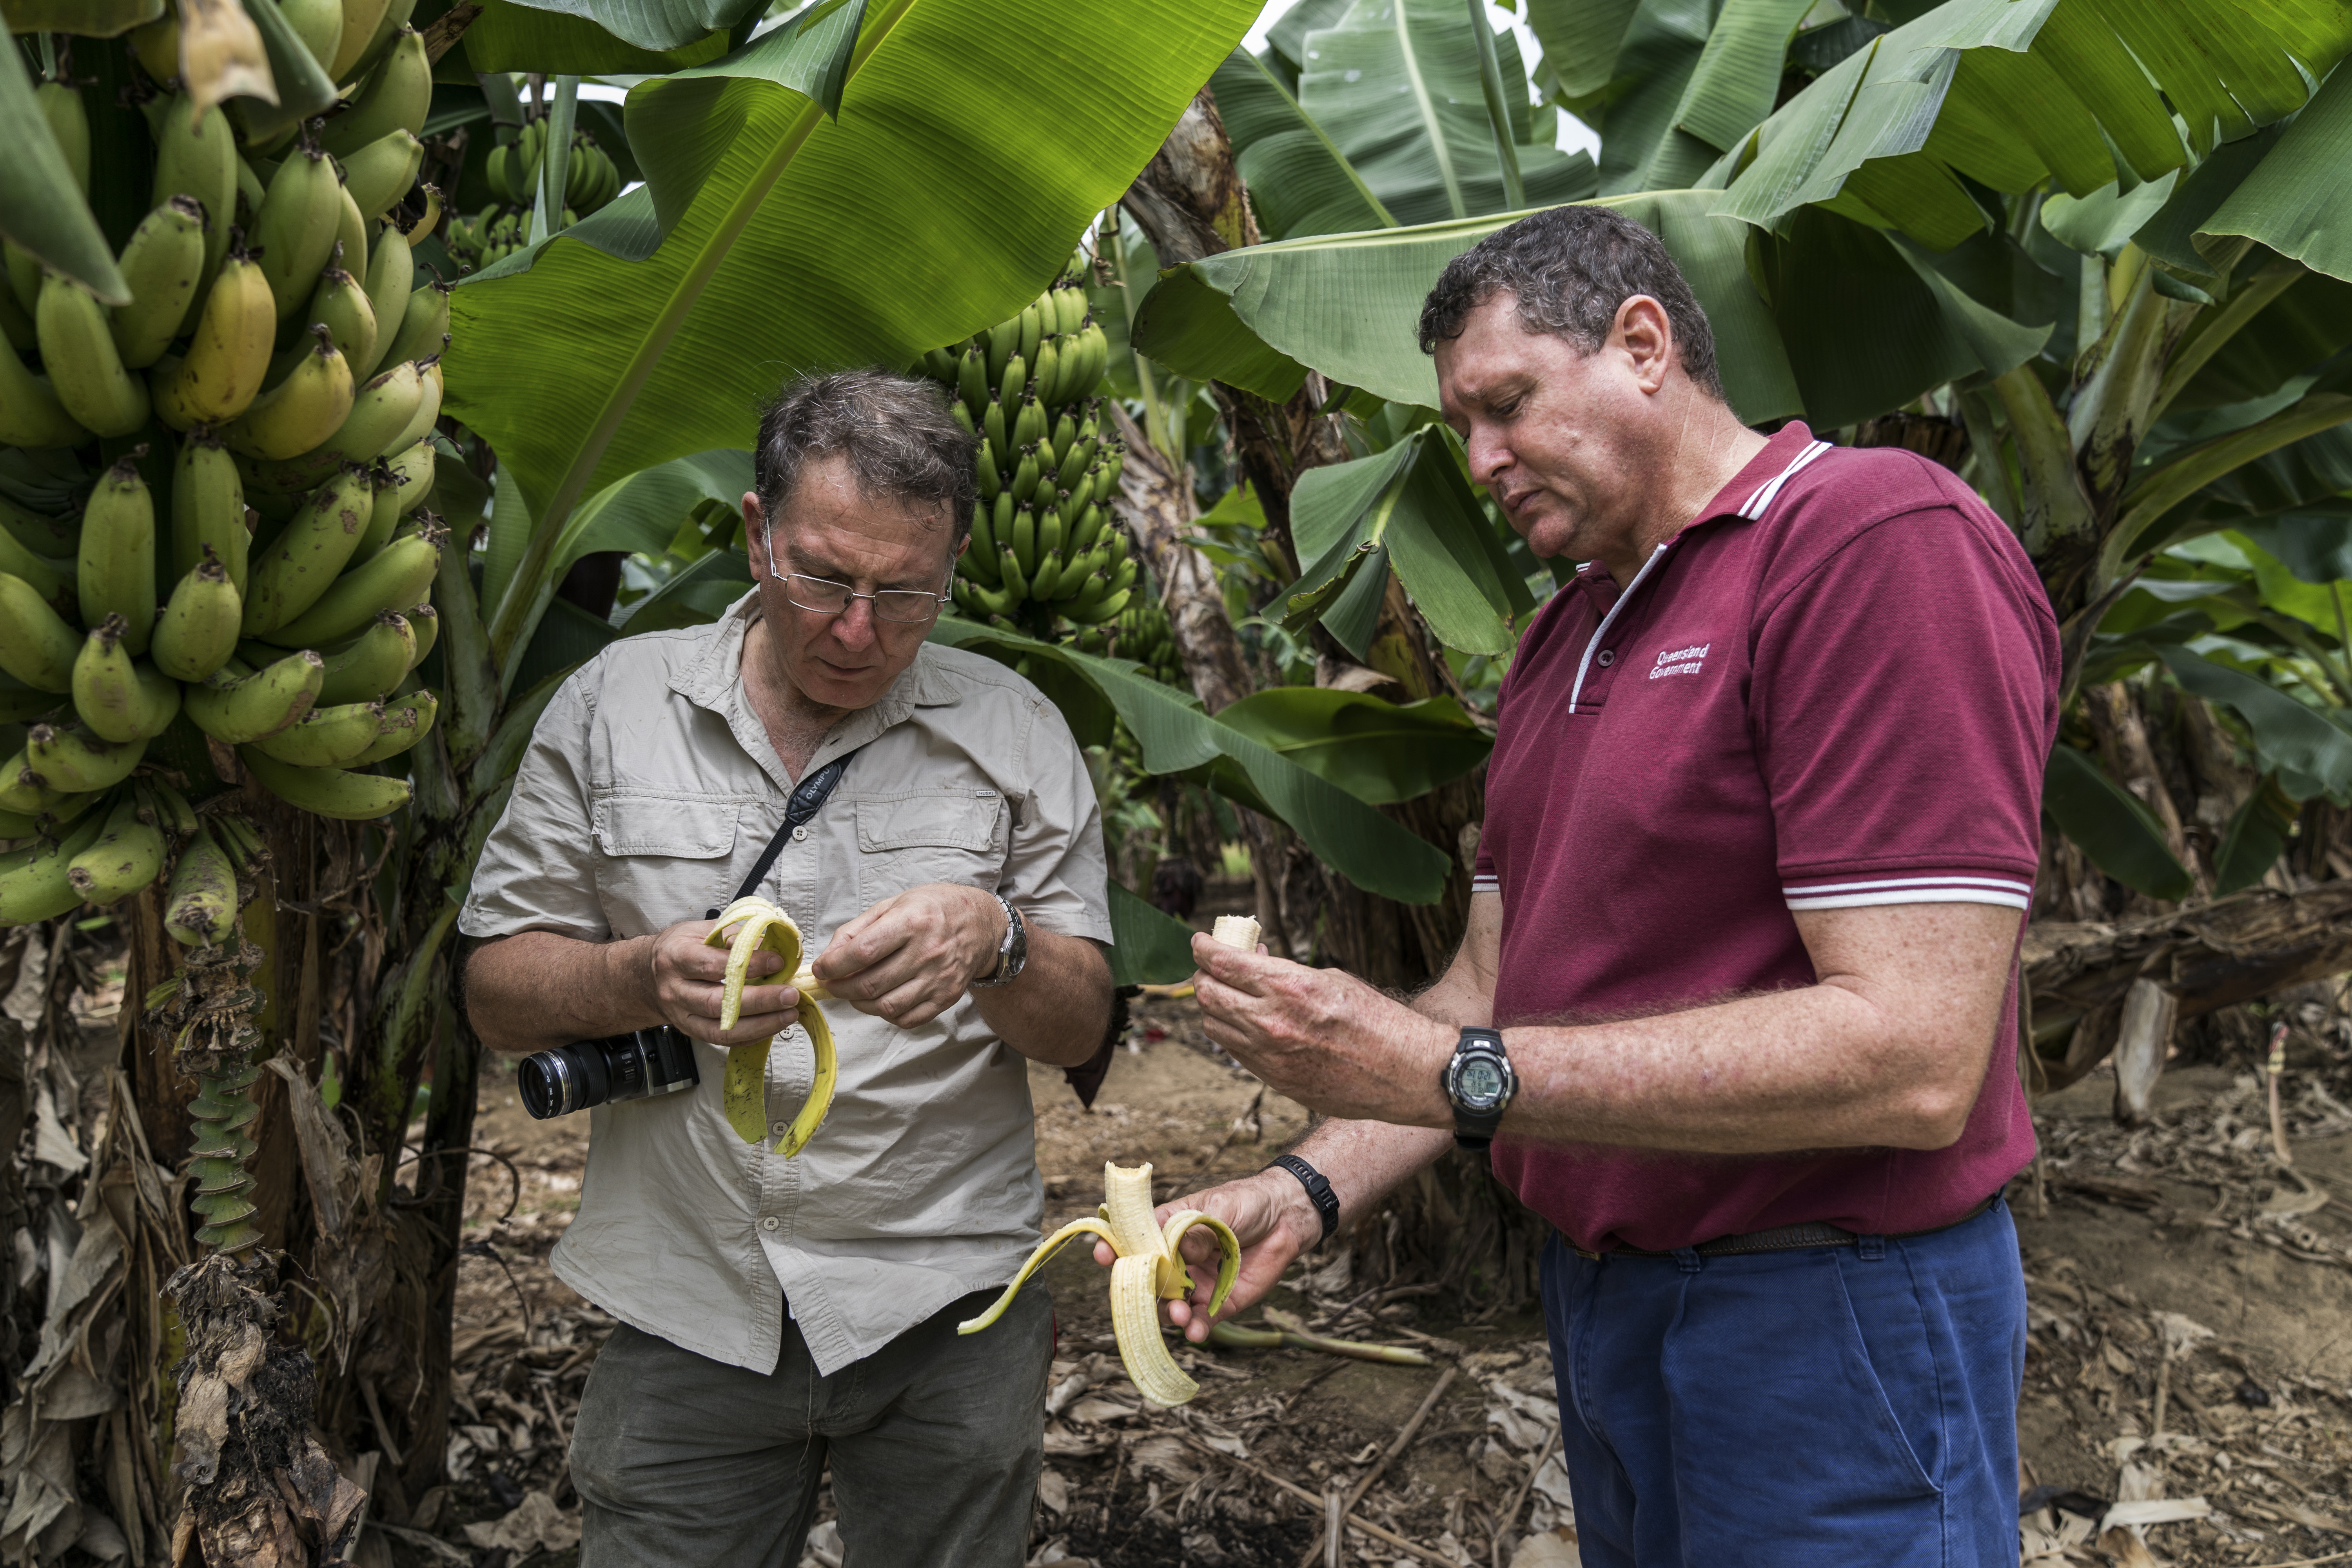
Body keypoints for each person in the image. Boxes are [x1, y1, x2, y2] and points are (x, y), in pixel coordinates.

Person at [1125, 206, 2060, 1566]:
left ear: (1643, 345)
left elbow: (1914, 1055)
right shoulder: (1567, 629)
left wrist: (1453, 1071)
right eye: (1462, 429)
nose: (1483, 462)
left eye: (1506, 405)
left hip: (1824, 1303)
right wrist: (1301, 1189)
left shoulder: (1865, 540)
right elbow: (1498, 990)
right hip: (1614, 1306)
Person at [461, 368, 1116, 1567]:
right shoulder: (615, 705)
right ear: (757, 533)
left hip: (947, 1309)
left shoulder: (1017, 731)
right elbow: (495, 985)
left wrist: (997, 938)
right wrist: (639, 977)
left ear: (954, 564)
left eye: (906, 591)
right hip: (688, 1305)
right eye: (823, 578)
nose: (858, 630)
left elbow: (1080, 1027)